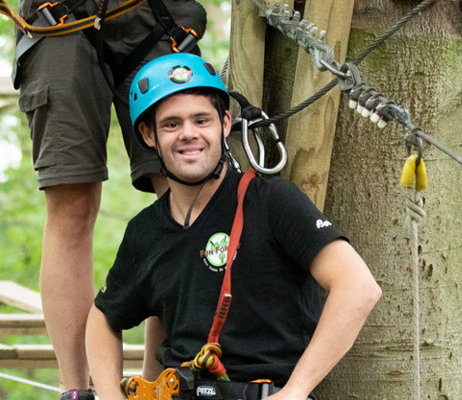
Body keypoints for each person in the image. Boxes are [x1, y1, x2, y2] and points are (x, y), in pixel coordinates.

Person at [85, 53, 382, 400]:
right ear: (149, 134)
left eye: (201, 120)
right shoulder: (145, 232)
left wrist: (297, 391)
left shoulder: (271, 201)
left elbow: (358, 287)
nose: (188, 134)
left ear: (225, 124)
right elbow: (103, 319)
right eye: (171, 124)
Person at [0, 0, 213, 398]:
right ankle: (76, 389)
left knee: (187, 202)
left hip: (155, 13)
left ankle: (160, 382)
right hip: (56, 19)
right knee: (72, 207)